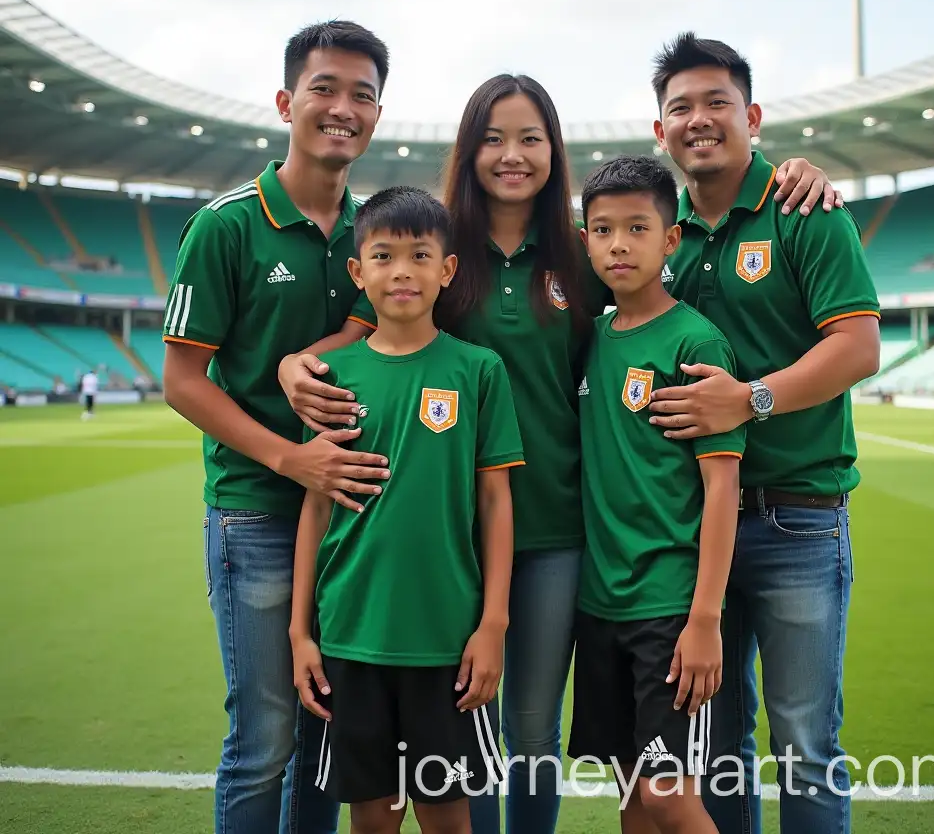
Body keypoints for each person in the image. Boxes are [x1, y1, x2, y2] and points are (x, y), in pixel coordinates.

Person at [278, 72, 844, 834]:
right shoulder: (439, 251)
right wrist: (292, 365)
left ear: (554, 152)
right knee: (456, 735)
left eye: (531, 138)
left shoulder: (581, 257)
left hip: (556, 534)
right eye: (493, 138)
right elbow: (360, 336)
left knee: (532, 733)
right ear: (468, 148)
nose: (511, 155)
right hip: (444, 540)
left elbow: (665, 293)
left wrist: (792, 173)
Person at [643, 33, 882, 834]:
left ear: (751, 116)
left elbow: (857, 346)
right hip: (688, 527)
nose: (698, 120)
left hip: (797, 519)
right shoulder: (655, 232)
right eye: (680, 107)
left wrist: (752, 400)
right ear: (660, 130)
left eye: (717, 104)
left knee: (806, 746)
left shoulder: (803, 208)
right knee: (715, 750)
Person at [161, 20, 394, 834]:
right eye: (324, 89)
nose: (342, 108)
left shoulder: (376, 234)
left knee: (322, 738)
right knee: (263, 741)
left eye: (362, 95)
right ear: (286, 101)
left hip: (345, 523)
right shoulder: (226, 225)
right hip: (258, 511)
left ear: (377, 114)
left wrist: (304, 357)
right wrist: (290, 459)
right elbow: (183, 381)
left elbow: (368, 334)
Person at [290, 187, 521, 834]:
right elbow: (316, 506)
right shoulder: (331, 376)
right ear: (357, 271)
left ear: (446, 270)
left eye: (421, 255)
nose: (402, 272)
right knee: (373, 818)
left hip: (447, 642)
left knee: (449, 817)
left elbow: (496, 501)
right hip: (351, 637)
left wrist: (493, 624)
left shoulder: (478, 370)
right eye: (384, 256)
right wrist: (300, 631)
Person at [569, 155, 745, 834]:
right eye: (603, 229)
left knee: (671, 797)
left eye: (637, 228)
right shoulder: (592, 339)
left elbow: (721, 486)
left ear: (670, 240)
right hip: (599, 603)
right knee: (633, 797)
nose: (618, 244)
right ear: (585, 238)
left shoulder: (695, 342)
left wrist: (705, 618)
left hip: (669, 610)